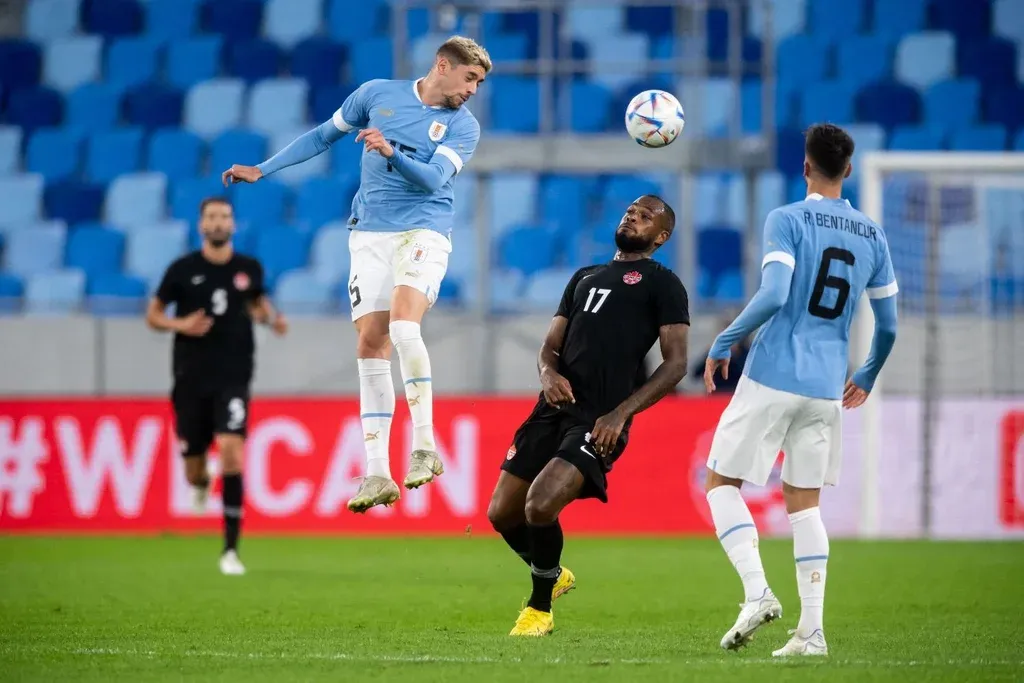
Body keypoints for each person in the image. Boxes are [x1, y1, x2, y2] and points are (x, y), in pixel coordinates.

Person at [221, 36, 491, 514]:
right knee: (370, 343)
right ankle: (377, 472)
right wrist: (264, 169)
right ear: (442, 65)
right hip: (369, 234)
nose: (473, 90)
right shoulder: (376, 94)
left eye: (479, 83)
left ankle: (425, 446)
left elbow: (432, 179)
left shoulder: (463, 126)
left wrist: (390, 152)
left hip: (423, 229)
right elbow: (322, 135)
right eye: (470, 78)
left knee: (404, 324)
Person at [702, 123, 899, 657]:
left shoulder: (787, 219)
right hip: (827, 386)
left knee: (720, 482)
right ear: (849, 170)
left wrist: (725, 340)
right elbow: (888, 326)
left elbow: (773, 294)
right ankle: (811, 633)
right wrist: (867, 373)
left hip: (773, 373)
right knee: (805, 505)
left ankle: (756, 593)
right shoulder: (873, 235)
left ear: (806, 166)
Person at [487, 195, 691, 637]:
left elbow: (676, 364)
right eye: (631, 210)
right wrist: (547, 374)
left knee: (540, 504)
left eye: (646, 215)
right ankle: (552, 572)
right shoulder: (584, 276)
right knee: (501, 513)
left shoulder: (664, 284)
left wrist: (621, 414)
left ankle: (539, 609)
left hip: (600, 419)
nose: (633, 216)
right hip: (552, 408)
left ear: (661, 237)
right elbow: (550, 346)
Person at [145, 197, 289, 575]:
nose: (218, 222)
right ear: (201, 225)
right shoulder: (182, 269)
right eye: (211, 217)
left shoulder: (248, 268)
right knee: (194, 469)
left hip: (233, 377)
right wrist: (181, 325)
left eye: (224, 216)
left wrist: (270, 319)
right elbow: (153, 315)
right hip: (190, 379)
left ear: (233, 224)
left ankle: (230, 550)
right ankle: (201, 482)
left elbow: (256, 304)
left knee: (231, 451)